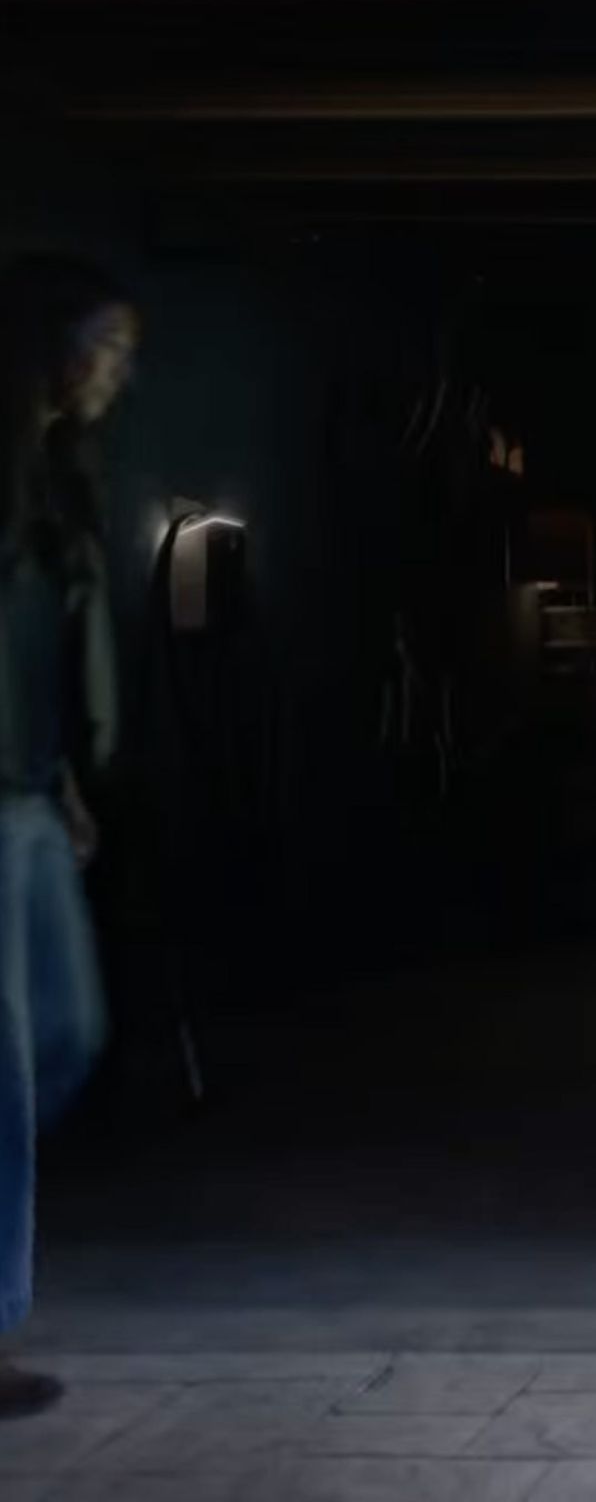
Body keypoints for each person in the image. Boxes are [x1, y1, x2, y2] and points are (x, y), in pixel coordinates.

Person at [0, 254, 135, 1419]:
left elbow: (44, 644)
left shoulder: (57, 475)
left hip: (33, 797)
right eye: (102, 345)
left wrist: (67, 781)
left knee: (65, 1034)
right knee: (5, 1065)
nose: (113, 372)